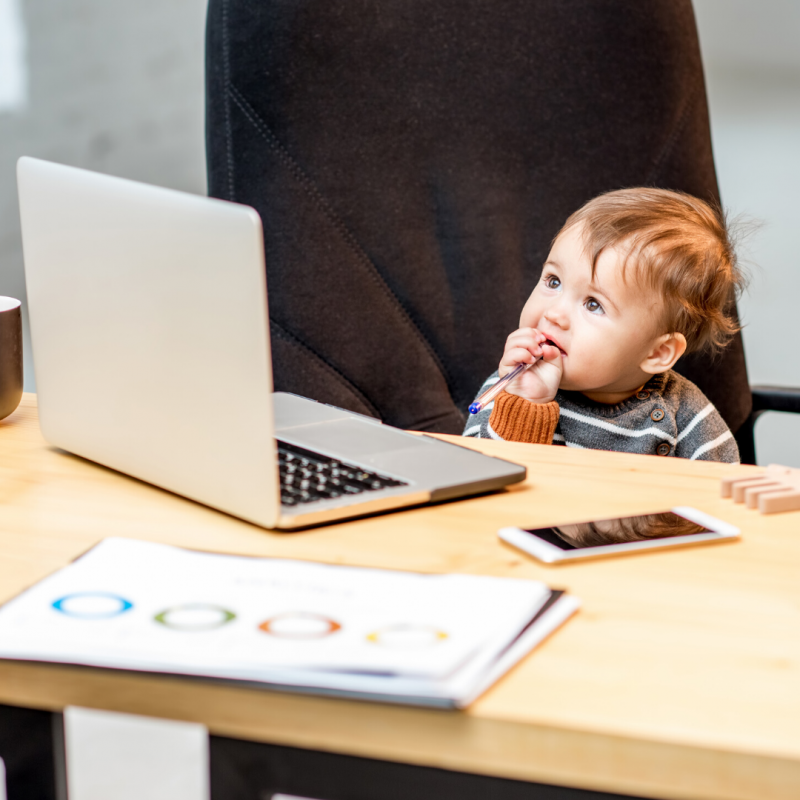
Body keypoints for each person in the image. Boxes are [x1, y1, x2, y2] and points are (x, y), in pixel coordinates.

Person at [464, 188, 743, 463]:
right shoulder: (511, 386)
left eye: (593, 304)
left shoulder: (687, 416)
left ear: (658, 353)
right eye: (553, 281)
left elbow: (721, 497)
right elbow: (479, 484)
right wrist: (525, 405)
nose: (554, 313)